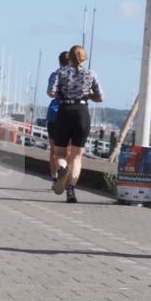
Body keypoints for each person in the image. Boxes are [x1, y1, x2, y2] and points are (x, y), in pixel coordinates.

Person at [48, 45, 103, 203]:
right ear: (83, 57)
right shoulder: (91, 74)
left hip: (65, 111)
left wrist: (60, 94)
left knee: (59, 153)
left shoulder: (60, 72)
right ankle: (71, 190)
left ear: (70, 57)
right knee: (77, 157)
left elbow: (51, 92)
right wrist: (88, 95)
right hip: (82, 113)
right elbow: (100, 97)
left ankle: (63, 170)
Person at [45, 51, 71, 181]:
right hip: (69, 113)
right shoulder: (75, 76)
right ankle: (66, 174)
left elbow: (50, 92)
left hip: (54, 113)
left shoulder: (54, 75)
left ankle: (54, 177)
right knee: (69, 150)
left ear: (59, 62)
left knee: (54, 150)